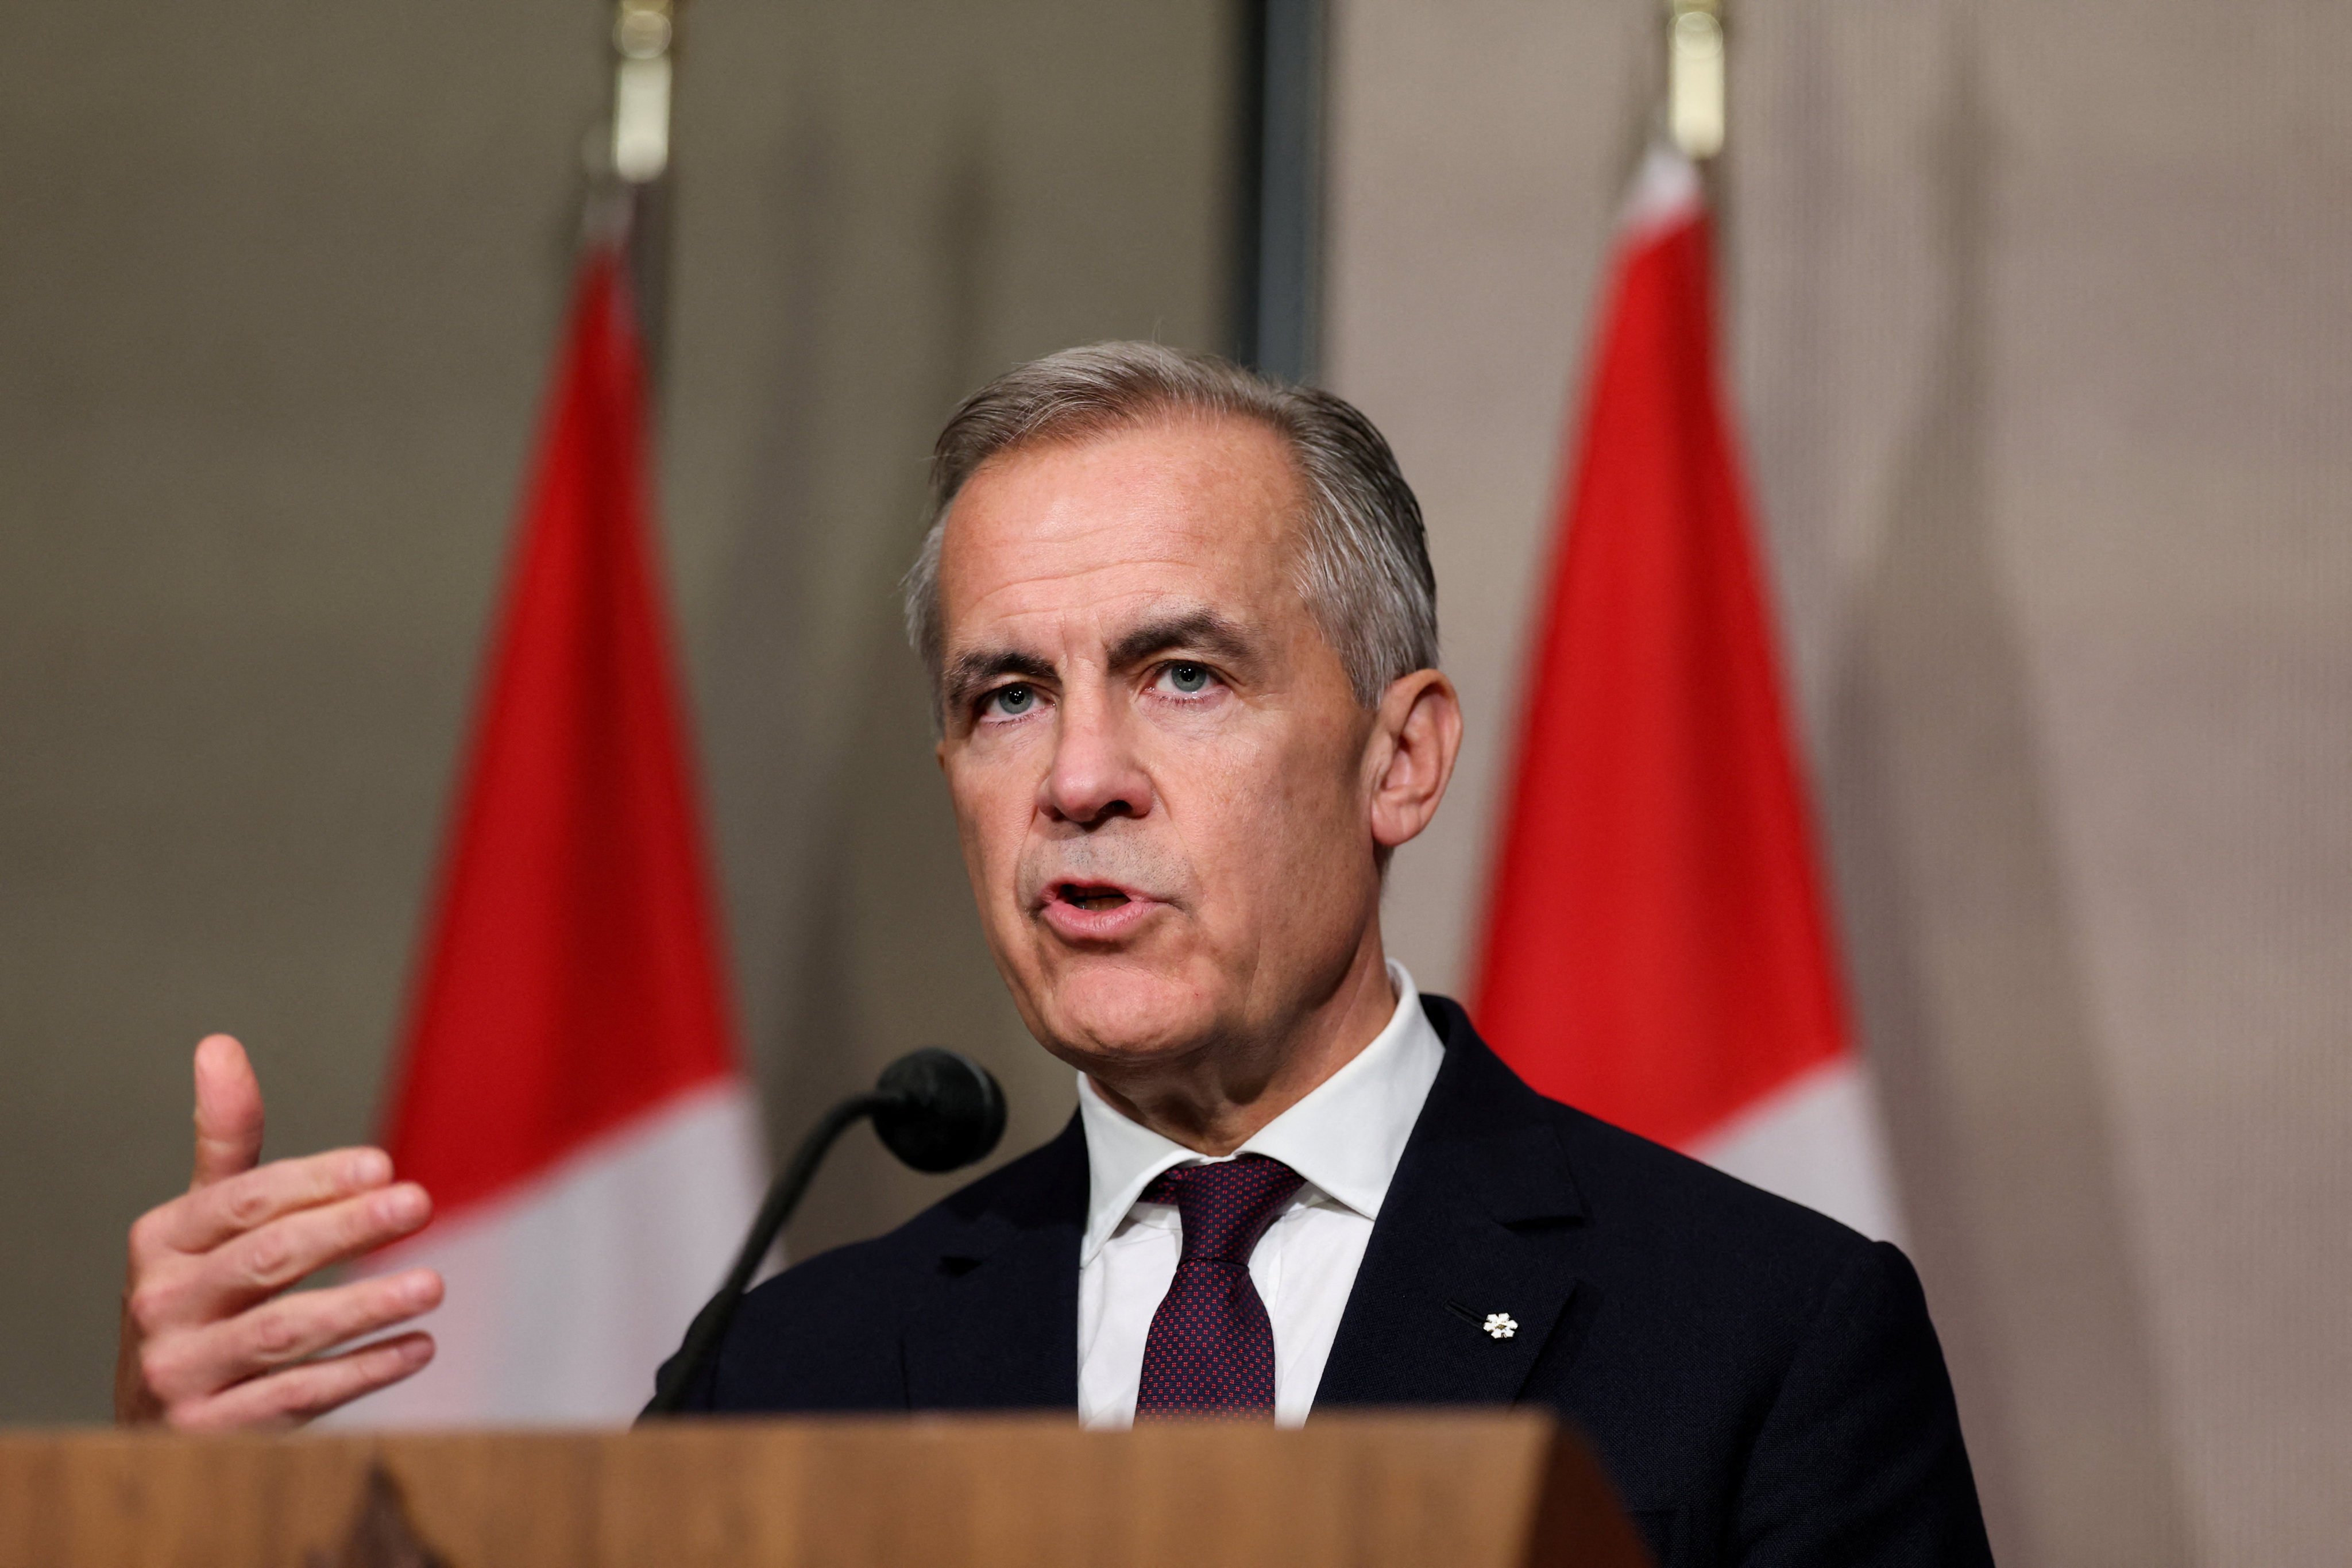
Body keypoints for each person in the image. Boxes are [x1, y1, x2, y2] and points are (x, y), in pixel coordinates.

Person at [117, 343, 1994, 1565]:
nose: (1081, 777)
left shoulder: (1765, 1332)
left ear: (1400, 757)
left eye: (1185, 674)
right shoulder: (793, 1370)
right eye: (1008, 697)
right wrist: (179, 1518)